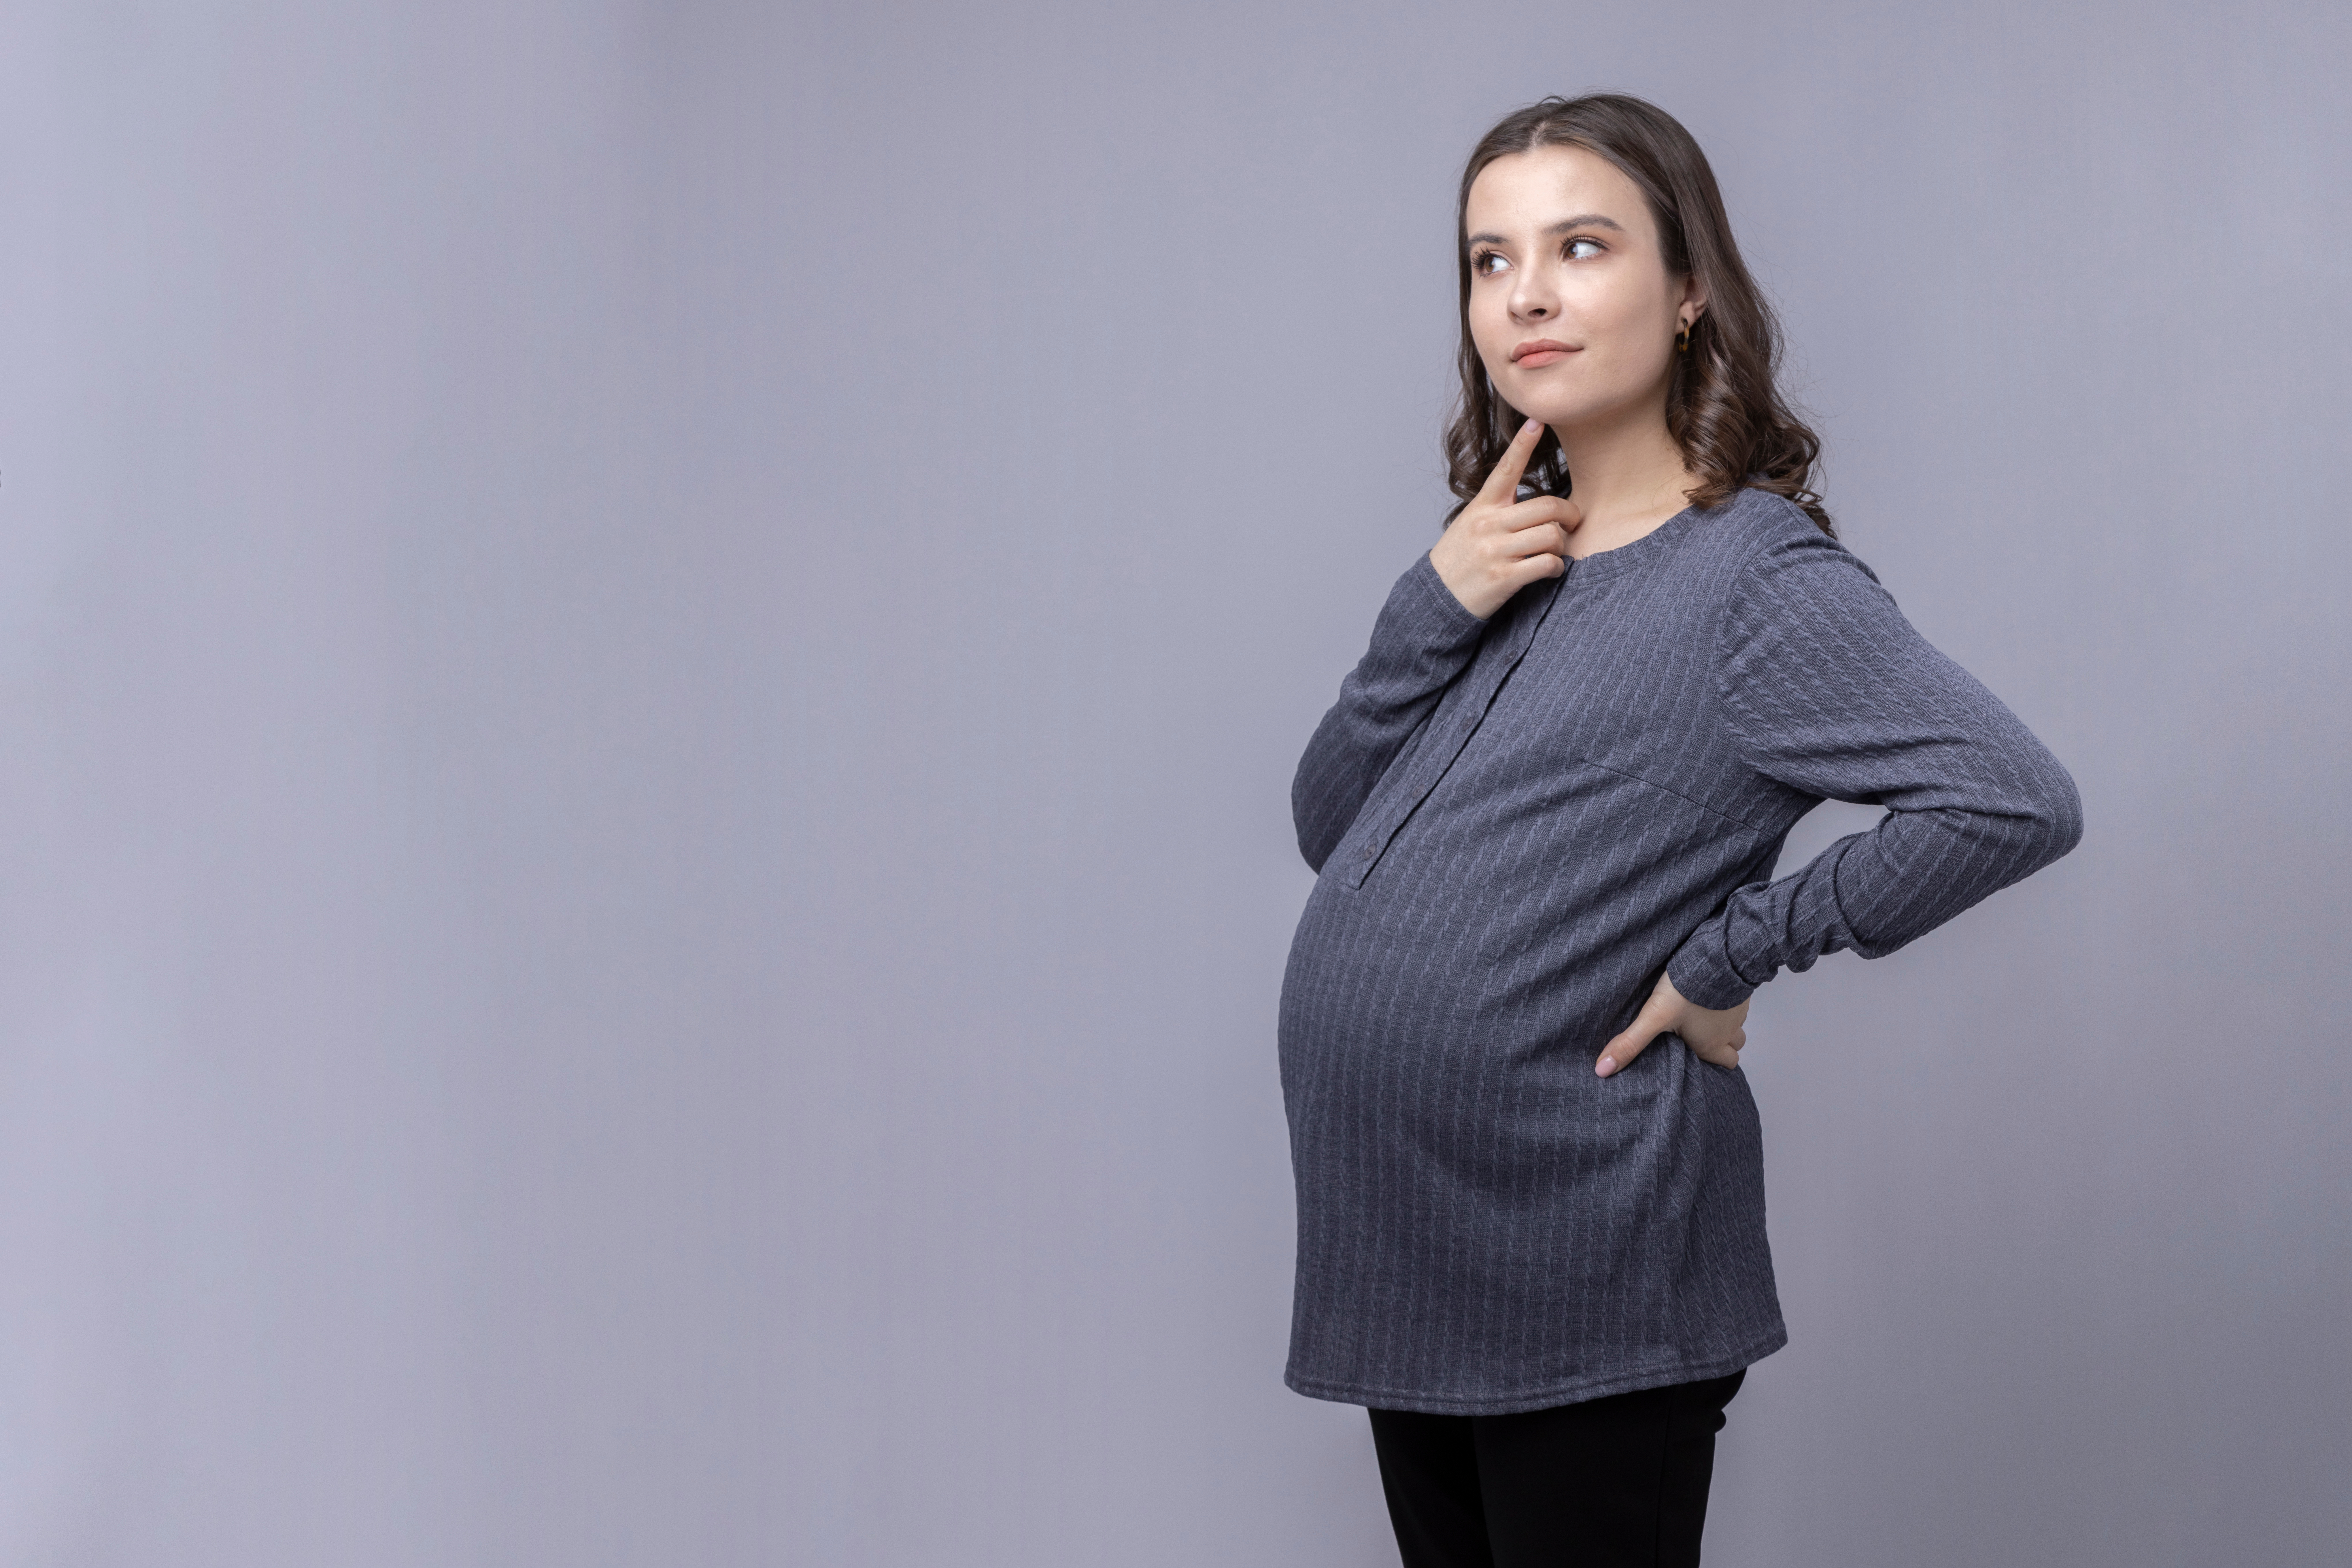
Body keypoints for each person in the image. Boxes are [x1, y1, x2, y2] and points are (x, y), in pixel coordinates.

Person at [1277, 93, 2083, 1567]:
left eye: (1579, 247)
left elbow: (2011, 793)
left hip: (1580, 1250)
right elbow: (1332, 823)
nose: (1523, 293)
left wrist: (1731, 954)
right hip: (1413, 1254)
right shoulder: (1500, 553)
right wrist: (1431, 603)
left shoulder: (1748, 579)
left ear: (1689, 285)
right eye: (1487, 259)